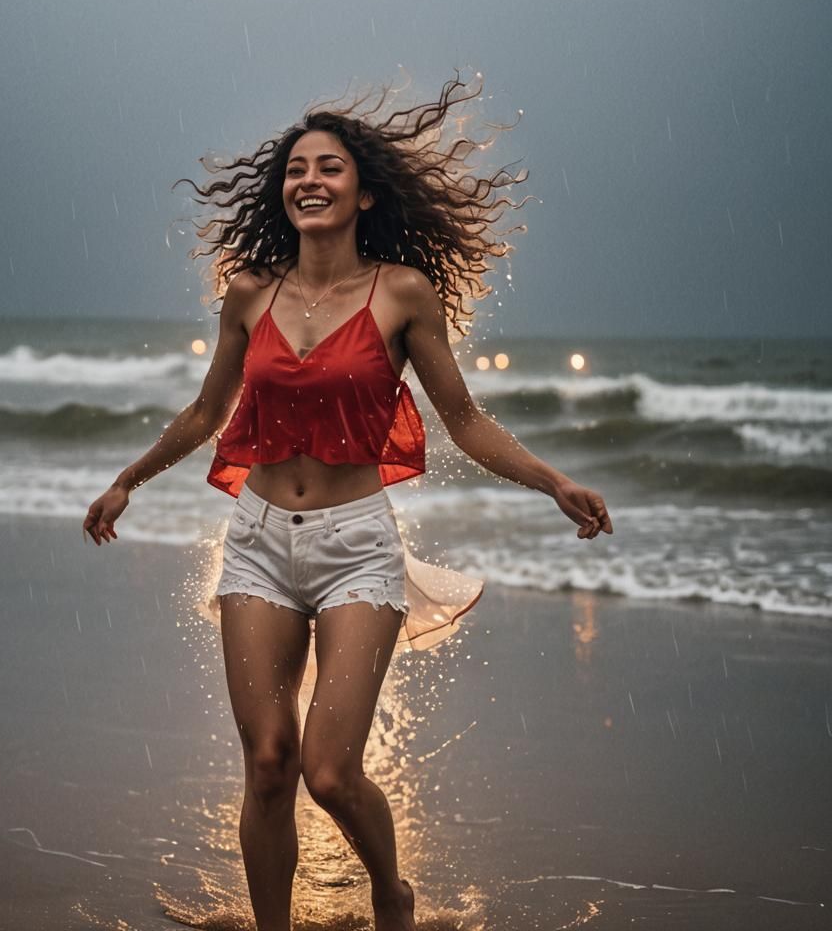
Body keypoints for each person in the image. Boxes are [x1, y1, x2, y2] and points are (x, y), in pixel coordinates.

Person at [83, 76, 613, 931]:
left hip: (356, 547)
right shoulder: (250, 292)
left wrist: (555, 482)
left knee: (329, 771)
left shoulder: (402, 293)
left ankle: (391, 892)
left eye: (329, 167)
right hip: (256, 540)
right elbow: (206, 413)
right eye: (296, 169)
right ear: (282, 191)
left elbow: (466, 422)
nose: (309, 180)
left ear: (364, 192)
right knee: (266, 763)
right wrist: (126, 481)